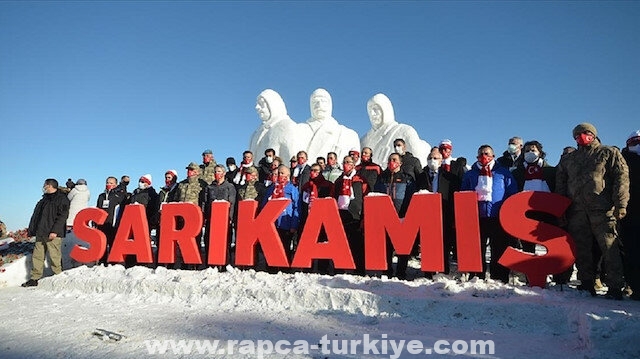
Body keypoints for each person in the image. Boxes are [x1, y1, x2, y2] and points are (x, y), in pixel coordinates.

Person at [556, 123, 629, 299]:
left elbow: (621, 178)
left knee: (609, 248)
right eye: (578, 134)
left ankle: (615, 286)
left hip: (603, 210)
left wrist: (621, 204)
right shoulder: (569, 159)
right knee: (581, 249)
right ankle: (586, 282)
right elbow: (561, 184)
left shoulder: (608, 152)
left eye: (586, 133)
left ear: (594, 134)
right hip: (577, 211)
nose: (582, 136)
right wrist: (561, 209)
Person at [461, 145, 518, 283]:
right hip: (477, 217)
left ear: (493, 155)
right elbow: (464, 193)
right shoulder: (470, 174)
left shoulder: (503, 173)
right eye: (480, 153)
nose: (483, 156)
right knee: (477, 248)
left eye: (486, 153)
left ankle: (499, 276)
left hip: (497, 216)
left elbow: (512, 193)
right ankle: (477, 275)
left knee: (499, 247)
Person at [418, 147, 463, 276]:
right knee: (427, 244)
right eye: (430, 158)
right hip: (426, 215)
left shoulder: (450, 177)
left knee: (445, 244)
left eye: (435, 158)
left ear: (441, 160)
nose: (432, 160)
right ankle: (428, 271)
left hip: (444, 213)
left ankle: (444, 270)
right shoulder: (421, 176)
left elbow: (454, 195)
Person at [360, 93, 430, 168]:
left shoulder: (405, 131)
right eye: (370, 111)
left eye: (376, 109)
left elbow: (419, 161)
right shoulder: (364, 140)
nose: (372, 114)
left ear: (385, 110)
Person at [22, 178, 70, 287]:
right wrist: (32, 230)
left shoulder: (62, 199)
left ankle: (58, 276)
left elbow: (62, 217)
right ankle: (35, 278)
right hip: (41, 232)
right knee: (37, 256)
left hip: (52, 233)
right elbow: (36, 217)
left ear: (50, 186)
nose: (43, 187)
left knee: (54, 256)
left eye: (45, 185)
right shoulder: (43, 200)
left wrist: (55, 231)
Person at [374, 153, 412, 280]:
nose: (391, 162)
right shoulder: (381, 178)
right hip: (385, 217)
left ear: (400, 163)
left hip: (401, 216)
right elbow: (376, 194)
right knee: (387, 247)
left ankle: (401, 272)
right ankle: (387, 270)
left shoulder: (407, 179)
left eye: (394, 160)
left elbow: (411, 197)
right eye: (390, 160)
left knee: (402, 247)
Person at [298, 88, 361, 161]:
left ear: (330, 104)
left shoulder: (349, 134)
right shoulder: (299, 129)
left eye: (324, 101)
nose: (319, 105)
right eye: (315, 102)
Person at [262, 165, 300, 273]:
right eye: (278, 173)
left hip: (285, 223)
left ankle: (285, 269)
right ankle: (271, 269)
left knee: (285, 246)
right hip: (272, 224)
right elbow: (264, 205)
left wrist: (294, 225)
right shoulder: (271, 189)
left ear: (288, 175)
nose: (280, 175)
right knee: (271, 247)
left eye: (282, 173)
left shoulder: (292, 189)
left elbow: (297, 207)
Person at [300, 163, 335, 274]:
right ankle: (307, 266)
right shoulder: (306, 186)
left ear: (321, 172)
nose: (312, 173)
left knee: (322, 242)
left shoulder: (327, 185)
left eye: (316, 171)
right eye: (311, 170)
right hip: (308, 217)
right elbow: (303, 202)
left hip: (322, 218)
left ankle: (323, 268)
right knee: (308, 242)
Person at [334, 155, 366, 275]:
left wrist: (363, 215)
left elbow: (365, 197)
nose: (346, 164)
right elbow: (333, 196)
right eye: (344, 162)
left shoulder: (360, 180)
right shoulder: (338, 180)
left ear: (353, 165)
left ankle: (359, 269)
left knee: (356, 243)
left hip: (355, 215)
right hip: (341, 214)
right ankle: (340, 268)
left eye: (348, 162)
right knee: (341, 242)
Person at [249, 89, 299, 165]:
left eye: (261, 103)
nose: (257, 107)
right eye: (257, 104)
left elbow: (292, 159)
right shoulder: (256, 133)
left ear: (272, 105)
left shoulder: (286, 126)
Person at [204, 165, 236, 268]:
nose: (216, 173)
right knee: (209, 240)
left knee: (225, 242)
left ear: (224, 173)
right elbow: (205, 203)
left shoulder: (229, 187)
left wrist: (230, 218)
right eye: (215, 171)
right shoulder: (209, 187)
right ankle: (210, 264)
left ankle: (224, 263)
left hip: (224, 220)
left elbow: (232, 203)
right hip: (211, 219)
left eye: (219, 171)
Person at [621, 130, 640, 300]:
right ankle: (634, 286)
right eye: (635, 142)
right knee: (631, 251)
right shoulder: (622, 160)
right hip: (629, 212)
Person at [126, 174, 159, 267]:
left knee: (142, 243)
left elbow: (153, 209)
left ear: (148, 183)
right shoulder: (135, 192)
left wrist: (151, 221)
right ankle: (130, 262)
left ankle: (142, 262)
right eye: (140, 181)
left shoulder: (152, 194)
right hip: (131, 222)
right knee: (131, 242)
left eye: (143, 181)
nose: (140, 183)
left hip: (144, 221)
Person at [96, 176, 127, 264]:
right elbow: (98, 208)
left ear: (115, 184)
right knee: (102, 244)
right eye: (107, 183)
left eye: (111, 183)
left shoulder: (119, 196)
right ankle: (102, 262)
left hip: (113, 224)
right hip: (102, 224)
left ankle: (113, 263)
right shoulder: (101, 196)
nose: (109, 185)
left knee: (113, 243)